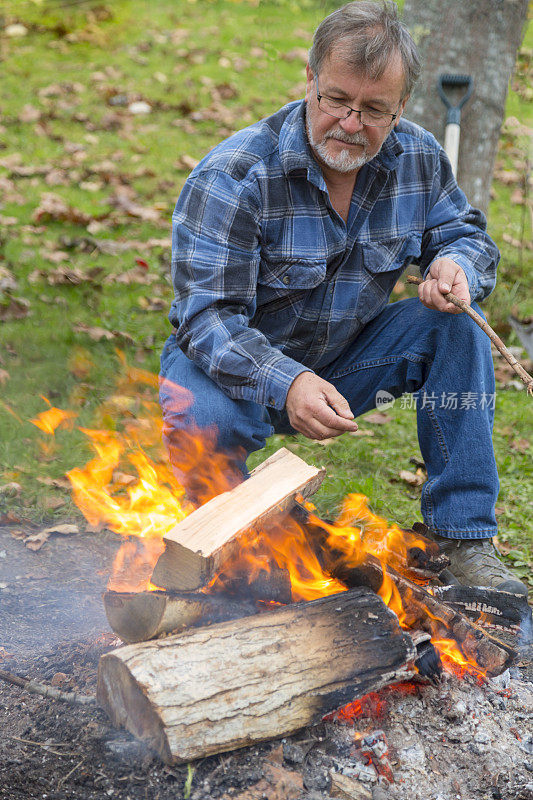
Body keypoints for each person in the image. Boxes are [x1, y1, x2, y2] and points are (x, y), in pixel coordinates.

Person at [160, 0, 527, 596]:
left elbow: (464, 234)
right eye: (337, 100)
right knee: (206, 418)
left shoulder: (417, 157)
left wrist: (456, 264)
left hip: (343, 360)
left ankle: (463, 539)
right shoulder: (234, 175)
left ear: (401, 107)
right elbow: (207, 320)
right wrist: (287, 382)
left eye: (374, 109)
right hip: (228, 367)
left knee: (457, 327)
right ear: (310, 80)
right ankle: (241, 541)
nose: (351, 124)